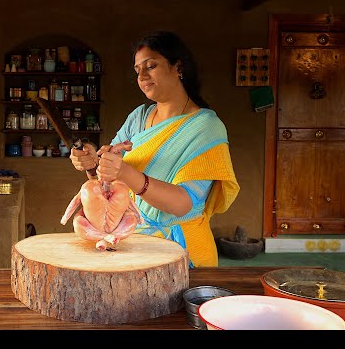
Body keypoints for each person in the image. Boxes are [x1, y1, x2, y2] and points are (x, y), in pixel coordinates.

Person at [69, 30, 240, 267]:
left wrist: (125, 172)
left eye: (150, 66)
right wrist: (94, 163)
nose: (142, 76)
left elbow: (183, 204)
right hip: (131, 243)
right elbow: (109, 178)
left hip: (182, 252)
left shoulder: (206, 127)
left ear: (177, 67)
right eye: (138, 70)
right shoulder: (139, 117)